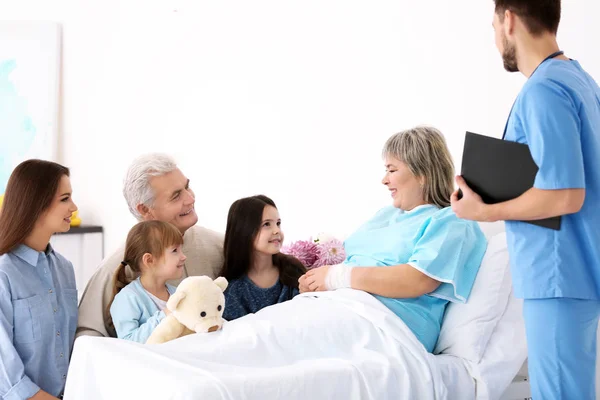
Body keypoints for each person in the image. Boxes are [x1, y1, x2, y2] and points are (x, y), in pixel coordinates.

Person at [451, 1, 600, 398]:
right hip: (574, 273)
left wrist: (484, 210)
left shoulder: (544, 90)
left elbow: (566, 193)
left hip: (557, 275)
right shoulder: (579, 80)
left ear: (509, 19)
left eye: (494, 24)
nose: (495, 37)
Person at [301, 126, 487, 352]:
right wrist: (314, 281)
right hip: (337, 307)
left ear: (422, 173)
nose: (384, 180)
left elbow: (419, 279)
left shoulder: (451, 219)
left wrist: (337, 277)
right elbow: (340, 266)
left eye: (391, 170)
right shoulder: (384, 215)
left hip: (387, 324)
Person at [76, 154, 224, 338]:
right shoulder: (114, 267)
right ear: (145, 210)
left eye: (187, 187)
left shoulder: (218, 245)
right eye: (176, 195)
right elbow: (87, 336)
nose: (190, 199)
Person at [0, 160, 78, 400]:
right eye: (65, 199)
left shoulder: (65, 268)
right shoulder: (4, 274)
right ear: (36, 204)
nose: (74, 207)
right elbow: (7, 379)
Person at [219, 195, 305, 321]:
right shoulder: (233, 291)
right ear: (244, 231)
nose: (276, 230)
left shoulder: (292, 269)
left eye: (278, 223)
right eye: (266, 224)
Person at [108, 221, 186, 343]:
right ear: (149, 260)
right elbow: (128, 342)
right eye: (175, 250)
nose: (183, 256)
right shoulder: (128, 298)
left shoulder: (177, 293)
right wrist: (165, 315)